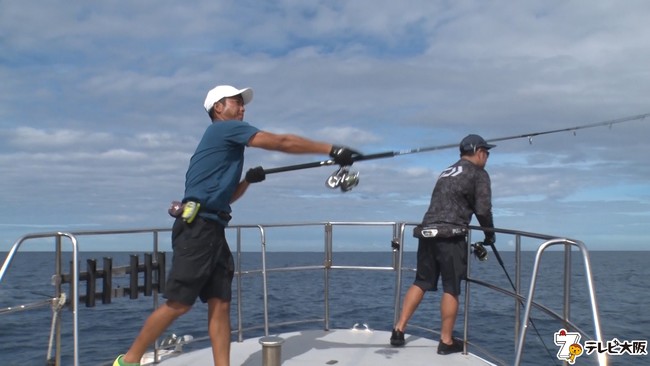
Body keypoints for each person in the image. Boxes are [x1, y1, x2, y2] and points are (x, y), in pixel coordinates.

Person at [113, 84, 361, 366]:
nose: (243, 108)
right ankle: (128, 361)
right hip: (198, 230)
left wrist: (247, 181)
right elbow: (280, 142)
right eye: (236, 102)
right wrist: (332, 149)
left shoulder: (224, 141)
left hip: (213, 229)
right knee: (179, 303)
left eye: (243, 104)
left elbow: (227, 197)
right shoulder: (223, 129)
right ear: (218, 108)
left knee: (220, 305)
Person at [390, 134, 496, 355]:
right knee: (451, 288)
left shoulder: (447, 171)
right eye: (486, 152)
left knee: (421, 281)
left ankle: (399, 330)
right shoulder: (478, 173)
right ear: (478, 152)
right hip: (451, 236)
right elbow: (483, 209)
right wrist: (489, 235)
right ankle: (446, 341)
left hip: (428, 233)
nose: (487, 156)